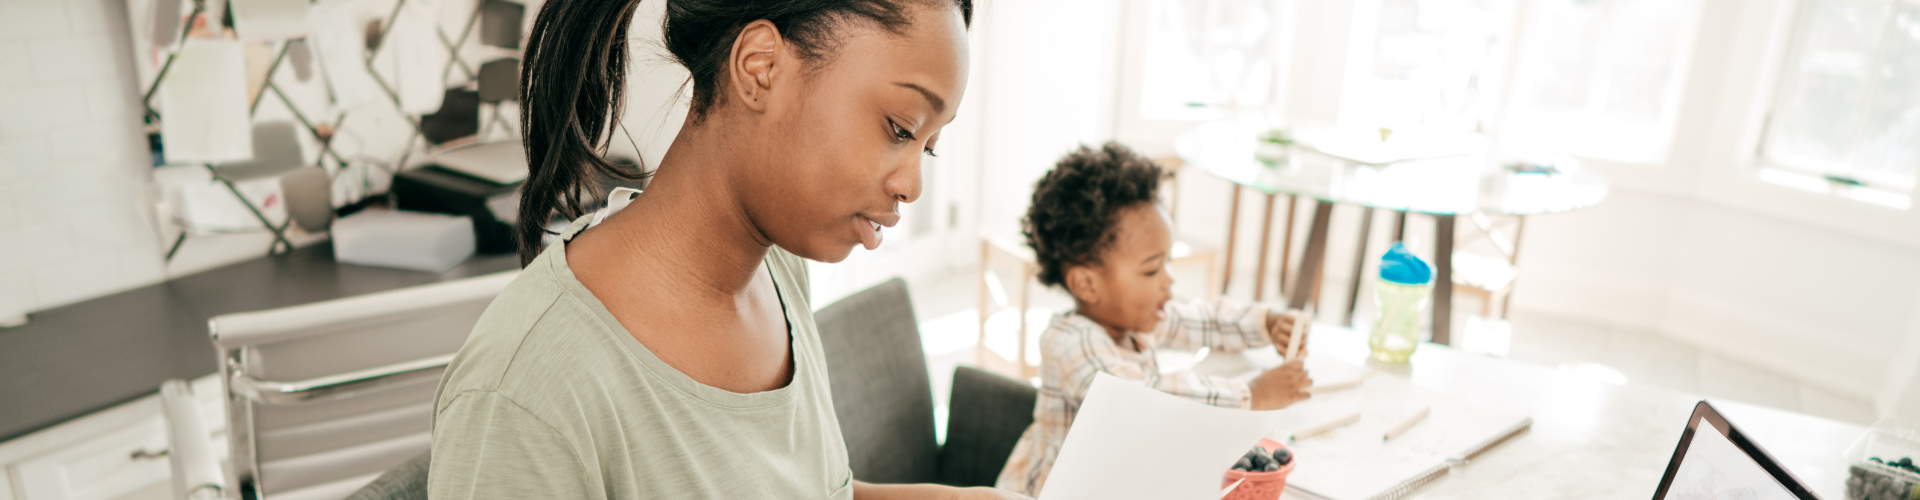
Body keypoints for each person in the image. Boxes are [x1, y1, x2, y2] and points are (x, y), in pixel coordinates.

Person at [426, 0, 1020, 498]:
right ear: (760, 67)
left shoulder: (778, 270)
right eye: (900, 128)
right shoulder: (526, 392)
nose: (912, 186)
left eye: (927, 147)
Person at [994, 143, 1316, 497]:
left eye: (1167, 262)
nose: (1168, 280)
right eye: (1151, 269)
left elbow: (1201, 320)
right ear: (1086, 284)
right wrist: (1252, 395)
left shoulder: (1132, 318)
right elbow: (1146, 403)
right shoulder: (1073, 343)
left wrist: (1265, 323)